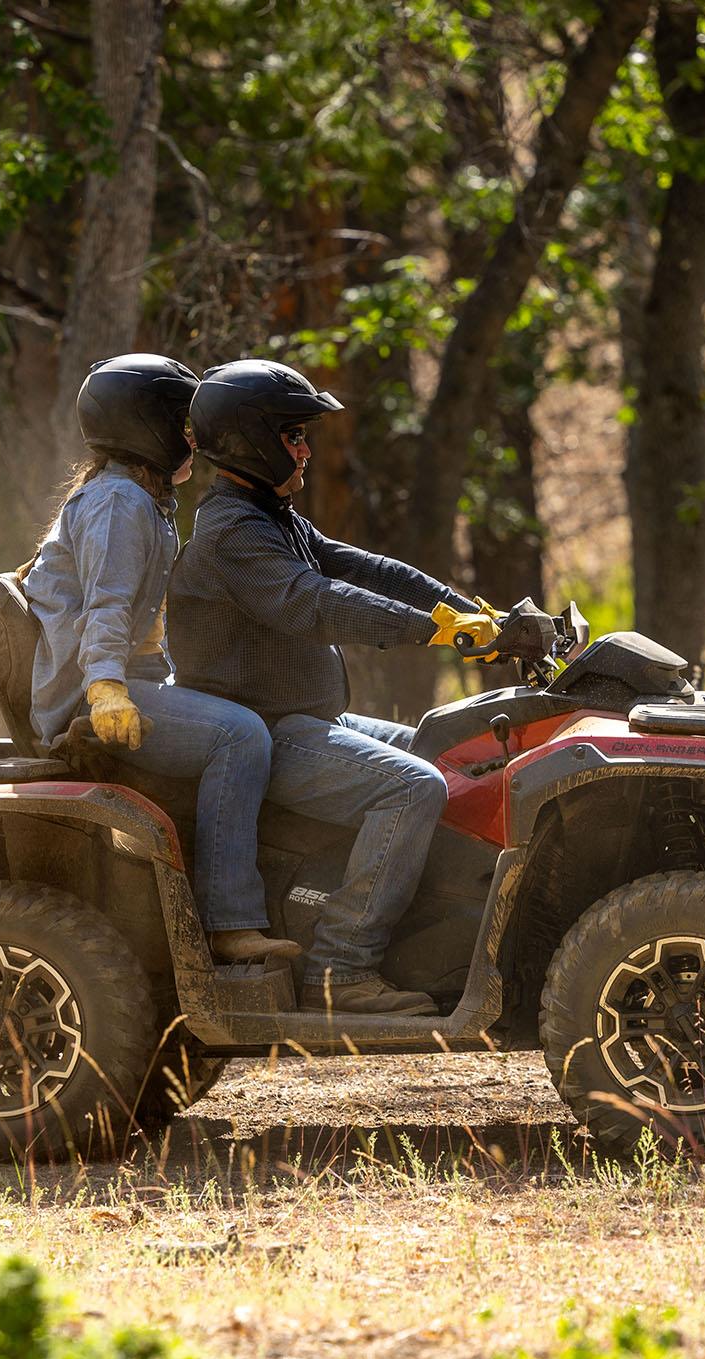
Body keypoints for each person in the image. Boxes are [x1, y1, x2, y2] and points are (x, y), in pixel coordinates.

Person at [167, 359, 501, 1016]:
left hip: (309, 719)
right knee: (413, 786)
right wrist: (438, 632)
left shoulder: (270, 515)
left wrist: (469, 611)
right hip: (266, 731)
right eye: (293, 435)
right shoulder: (233, 533)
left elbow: (367, 569)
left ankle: (432, 941)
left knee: (448, 753)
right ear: (248, 441)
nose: (306, 448)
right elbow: (316, 603)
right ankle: (340, 966)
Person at [26, 353, 298, 966]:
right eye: (182, 421)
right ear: (143, 424)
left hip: (125, 681)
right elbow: (106, 608)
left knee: (243, 717)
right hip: (97, 696)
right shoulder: (120, 500)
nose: (193, 437)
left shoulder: (134, 497)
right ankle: (231, 925)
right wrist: (104, 692)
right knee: (240, 736)